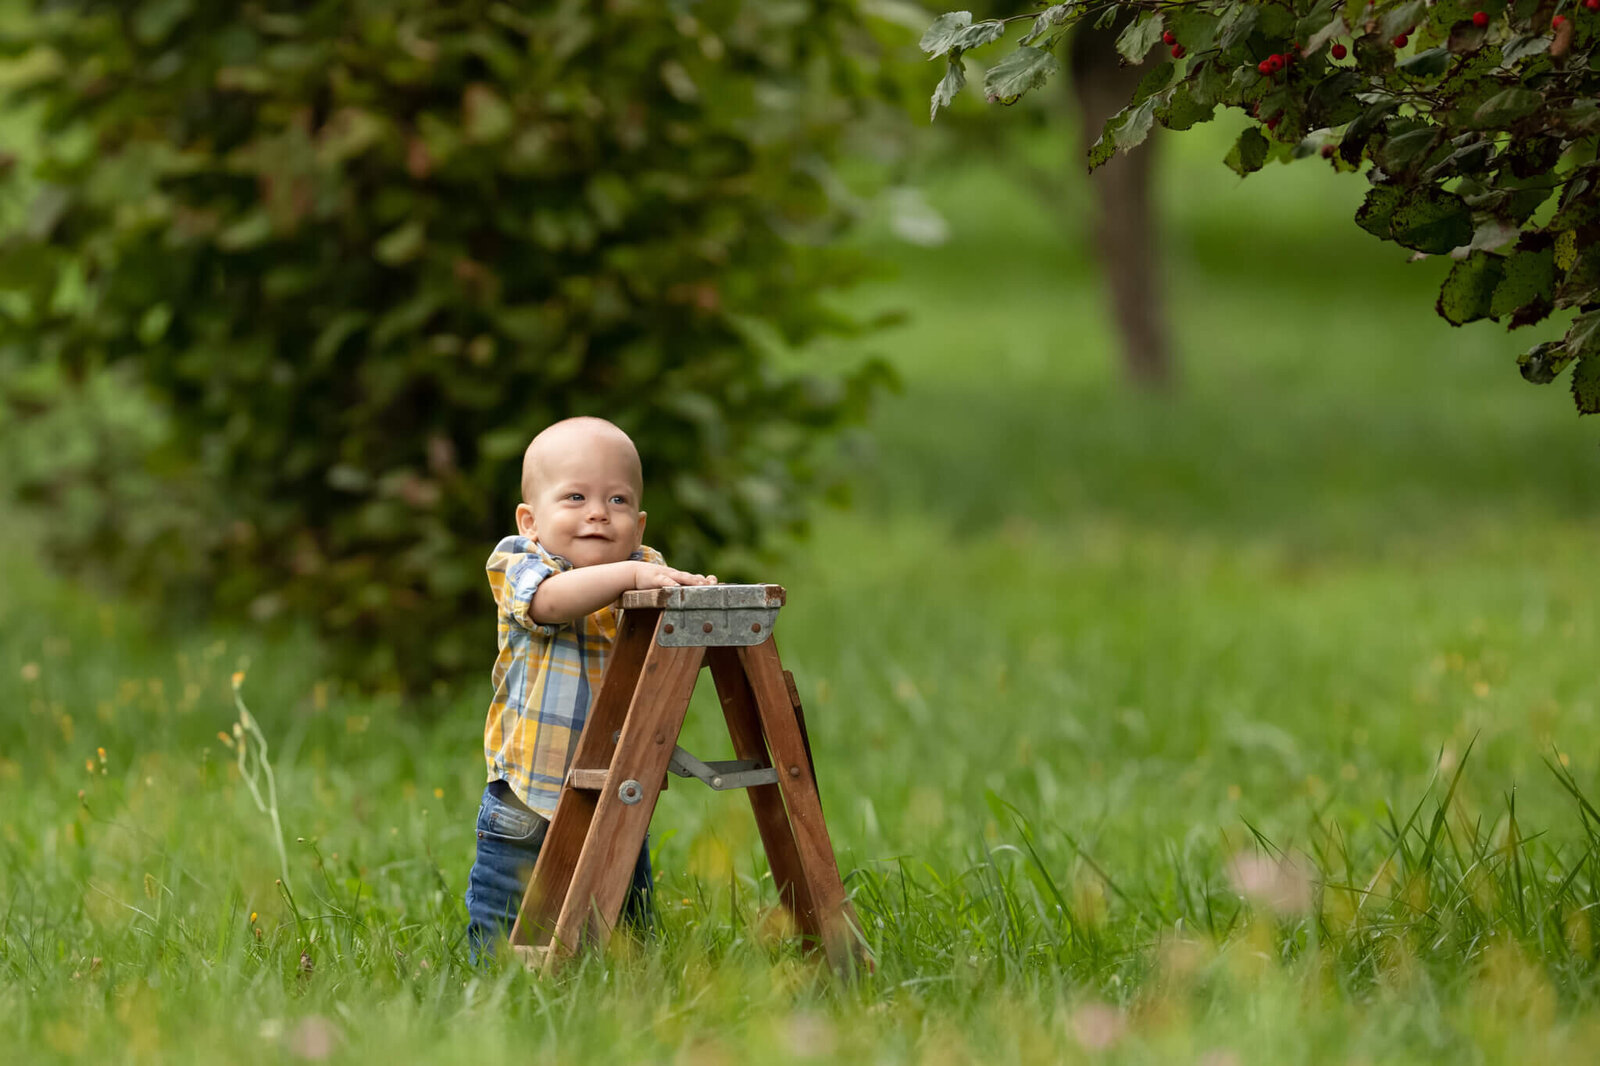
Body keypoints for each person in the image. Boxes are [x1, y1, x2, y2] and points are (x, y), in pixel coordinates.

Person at [464, 416, 716, 958]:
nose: (599, 512)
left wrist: (693, 597)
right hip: (531, 796)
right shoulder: (520, 561)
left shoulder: (643, 568)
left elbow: (668, 648)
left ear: (640, 525)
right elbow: (549, 604)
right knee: (508, 923)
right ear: (531, 519)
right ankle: (493, 993)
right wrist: (631, 580)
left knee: (622, 923)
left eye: (618, 500)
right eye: (575, 497)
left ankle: (619, 990)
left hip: (619, 785)